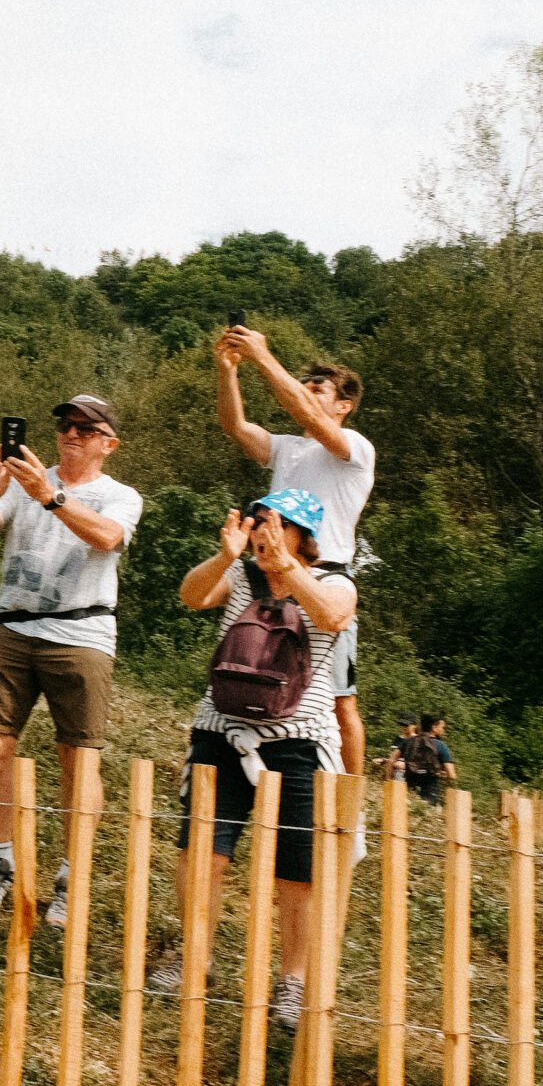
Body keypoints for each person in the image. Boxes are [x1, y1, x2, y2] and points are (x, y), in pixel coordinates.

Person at [169, 490, 358, 1033]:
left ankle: (292, 981)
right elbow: (192, 595)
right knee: (203, 850)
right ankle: (193, 958)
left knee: (297, 870)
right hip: (221, 732)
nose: (263, 530)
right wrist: (227, 556)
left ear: (305, 535)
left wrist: (288, 570)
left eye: (277, 523)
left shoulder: (334, 580)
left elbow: (332, 617)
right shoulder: (241, 577)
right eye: (258, 520)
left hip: (298, 741)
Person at [0, 395, 142, 927]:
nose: (72, 433)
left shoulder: (120, 495)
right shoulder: (24, 480)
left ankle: (69, 878)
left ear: (110, 443)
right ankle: (1, 864)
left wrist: (51, 495)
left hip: (81, 633)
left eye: (87, 428)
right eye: (65, 424)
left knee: (77, 761)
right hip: (11, 626)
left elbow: (107, 538)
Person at [216, 328, 374, 782]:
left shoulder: (356, 448)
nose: (306, 391)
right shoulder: (287, 447)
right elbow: (235, 425)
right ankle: (266, 762)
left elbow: (300, 409)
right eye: (305, 383)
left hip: (323, 581)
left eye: (318, 387)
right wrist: (228, 373)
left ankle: (348, 805)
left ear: (343, 406)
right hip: (269, 576)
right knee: (262, 672)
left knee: (340, 698)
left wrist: (263, 357)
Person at [385, 711, 456, 802]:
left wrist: (388, 780)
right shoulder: (441, 745)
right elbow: (451, 775)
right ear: (434, 727)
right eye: (442, 727)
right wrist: (442, 775)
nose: (444, 730)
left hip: (409, 788)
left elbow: (391, 761)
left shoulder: (408, 741)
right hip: (430, 791)